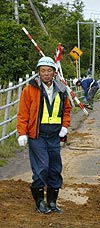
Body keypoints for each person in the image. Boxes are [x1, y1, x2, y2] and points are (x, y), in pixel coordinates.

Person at [16, 56, 72, 214]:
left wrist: (64, 126)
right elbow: (23, 113)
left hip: (54, 135)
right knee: (41, 168)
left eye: (49, 70)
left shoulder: (60, 89)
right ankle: (40, 202)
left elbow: (66, 110)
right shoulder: (30, 89)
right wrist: (22, 132)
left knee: (55, 169)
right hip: (37, 135)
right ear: (38, 72)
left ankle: (52, 203)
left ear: (54, 72)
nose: (46, 73)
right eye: (43, 71)